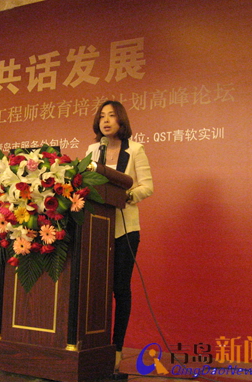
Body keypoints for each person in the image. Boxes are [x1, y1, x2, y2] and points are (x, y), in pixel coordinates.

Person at [86, 100, 153, 375]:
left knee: (120, 289)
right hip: (97, 229)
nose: (106, 120)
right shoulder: (92, 151)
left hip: (125, 229)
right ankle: (94, 344)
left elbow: (147, 186)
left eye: (111, 116)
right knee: (95, 288)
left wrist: (126, 195)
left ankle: (117, 348)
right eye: (102, 116)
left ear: (121, 120)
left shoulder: (135, 150)